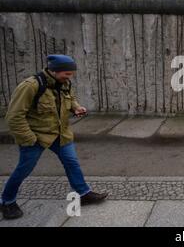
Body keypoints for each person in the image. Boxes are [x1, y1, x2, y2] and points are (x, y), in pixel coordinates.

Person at [0, 55, 108, 220]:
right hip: (36, 137)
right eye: (67, 73)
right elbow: (14, 116)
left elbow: (70, 99)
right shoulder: (30, 86)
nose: (69, 77)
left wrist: (76, 108)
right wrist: (29, 138)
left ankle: (83, 193)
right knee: (24, 169)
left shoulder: (64, 83)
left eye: (71, 74)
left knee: (71, 162)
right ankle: (7, 201)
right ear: (54, 71)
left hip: (60, 134)